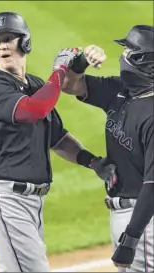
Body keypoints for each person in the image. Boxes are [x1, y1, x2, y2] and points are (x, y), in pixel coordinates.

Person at [0, 11, 116, 272]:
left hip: (30, 202)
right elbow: (33, 110)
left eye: (9, 38)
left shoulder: (35, 85)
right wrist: (59, 71)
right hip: (6, 199)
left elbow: (58, 138)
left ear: (25, 42)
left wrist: (93, 162)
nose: (2, 45)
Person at [61, 25, 154, 272]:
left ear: (144, 62)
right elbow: (69, 85)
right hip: (121, 213)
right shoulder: (120, 91)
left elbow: (152, 185)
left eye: (129, 51)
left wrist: (131, 237)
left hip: (145, 221)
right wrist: (81, 61)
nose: (122, 56)